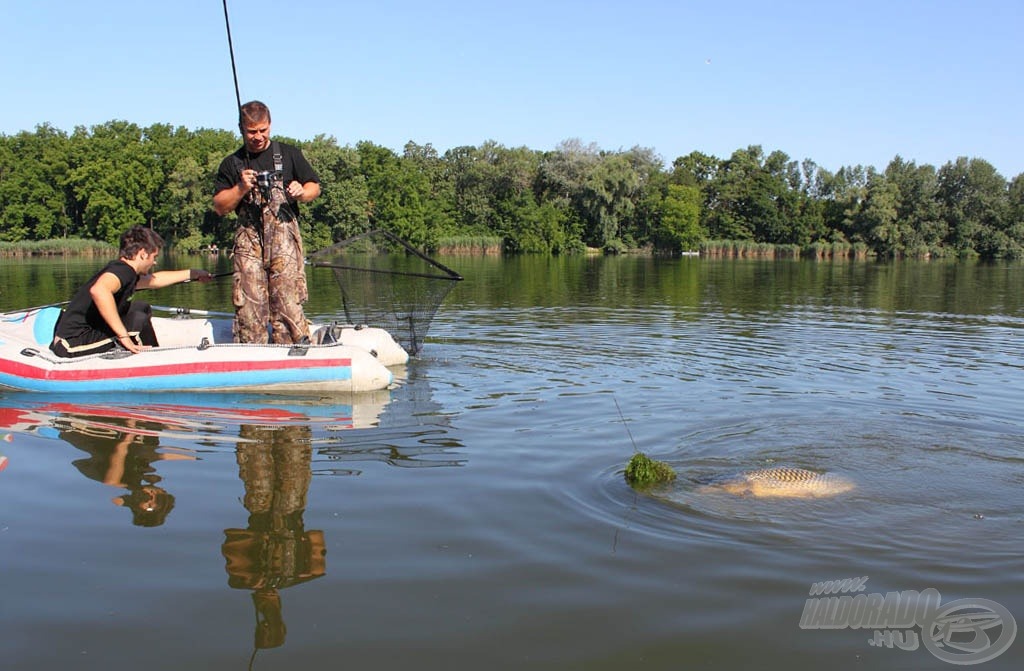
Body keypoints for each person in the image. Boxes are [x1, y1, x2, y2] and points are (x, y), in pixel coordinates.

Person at [212, 100, 321, 344]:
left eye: (263, 130)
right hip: (248, 243)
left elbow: (314, 187)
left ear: (270, 125)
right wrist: (240, 187)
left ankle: (295, 349)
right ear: (241, 129)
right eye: (252, 131)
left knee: (287, 301)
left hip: (284, 243)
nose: (258, 136)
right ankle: (251, 354)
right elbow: (220, 206)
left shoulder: (289, 153)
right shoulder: (232, 163)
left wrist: (301, 192)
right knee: (249, 309)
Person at [50, 226, 212, 357]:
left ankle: (153, 350)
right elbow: (99, 290)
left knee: (140, 307)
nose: (154, 262)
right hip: (72, 342)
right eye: (153, 257)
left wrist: (193, 273)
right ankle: (153, 360)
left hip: (81, 335)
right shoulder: (124, 272)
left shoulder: (124, 271)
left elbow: (154, 280)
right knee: (136, 321)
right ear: (142, 254)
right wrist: (123, 336)